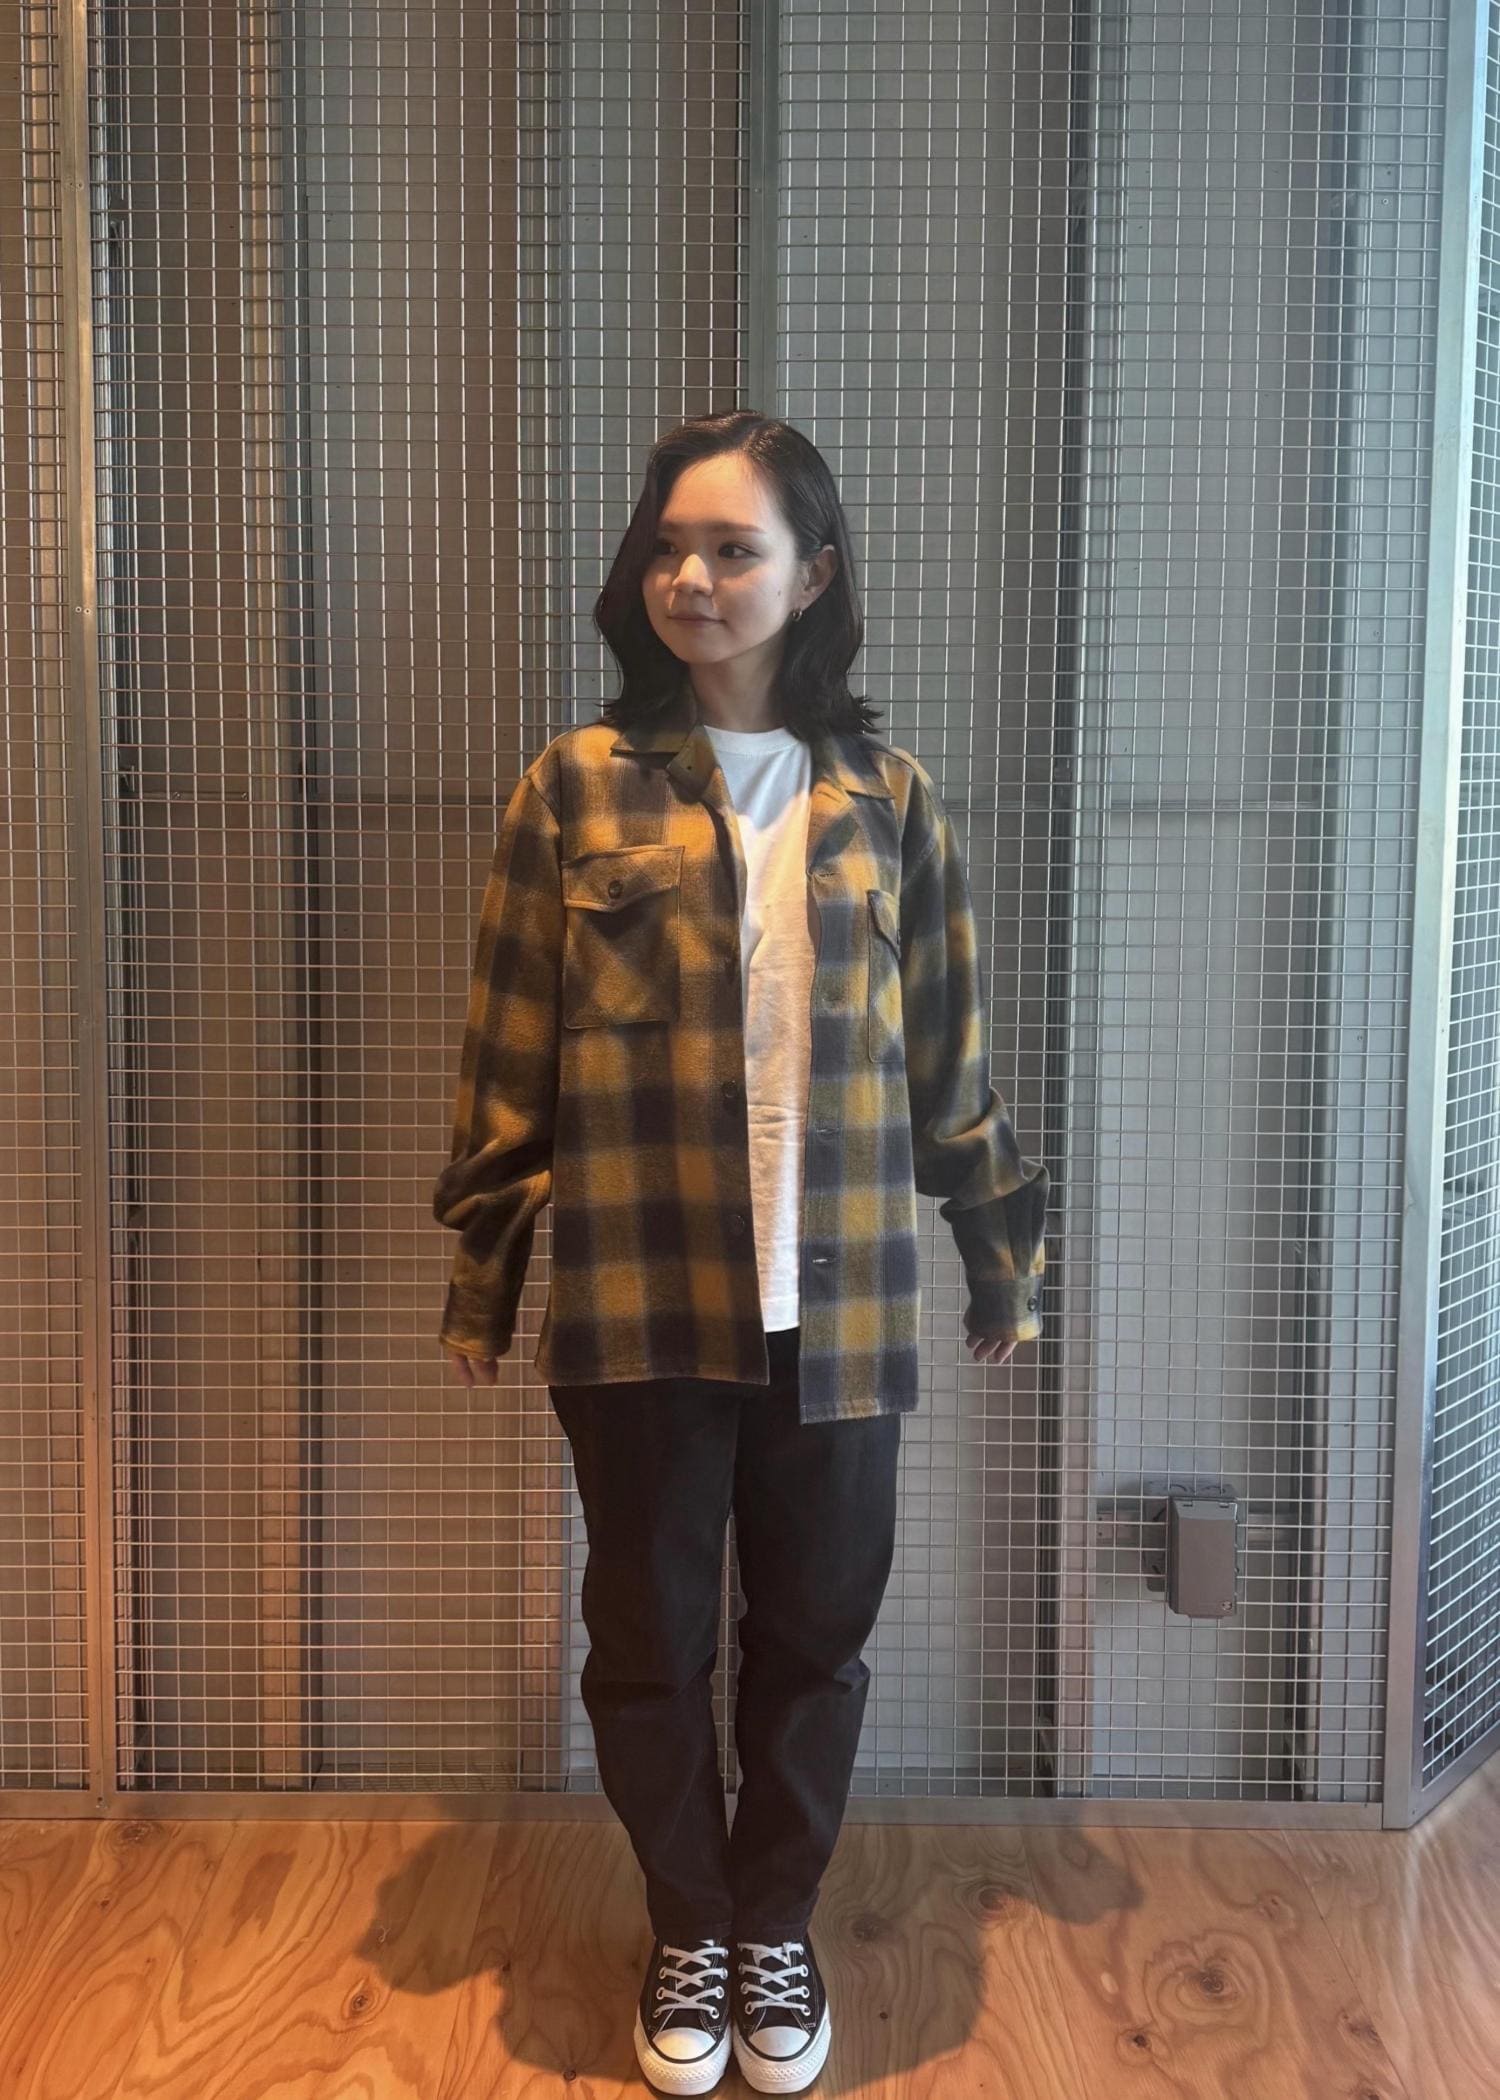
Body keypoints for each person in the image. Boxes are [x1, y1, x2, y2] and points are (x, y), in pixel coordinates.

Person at [432, 409, 1048, 2097]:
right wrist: (485, 1271)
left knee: (817, 1640)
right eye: (669, 546)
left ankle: (773, 1921)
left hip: (836, 1313)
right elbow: (509, 1054)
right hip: (637, 1299)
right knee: (648, 1643)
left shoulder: (887, 799)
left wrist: (999, 1249)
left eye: (733, 548)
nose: (692, 577)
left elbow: (948, 1054)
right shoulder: (573, 786)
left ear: (814, 573)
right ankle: (686, 1923)